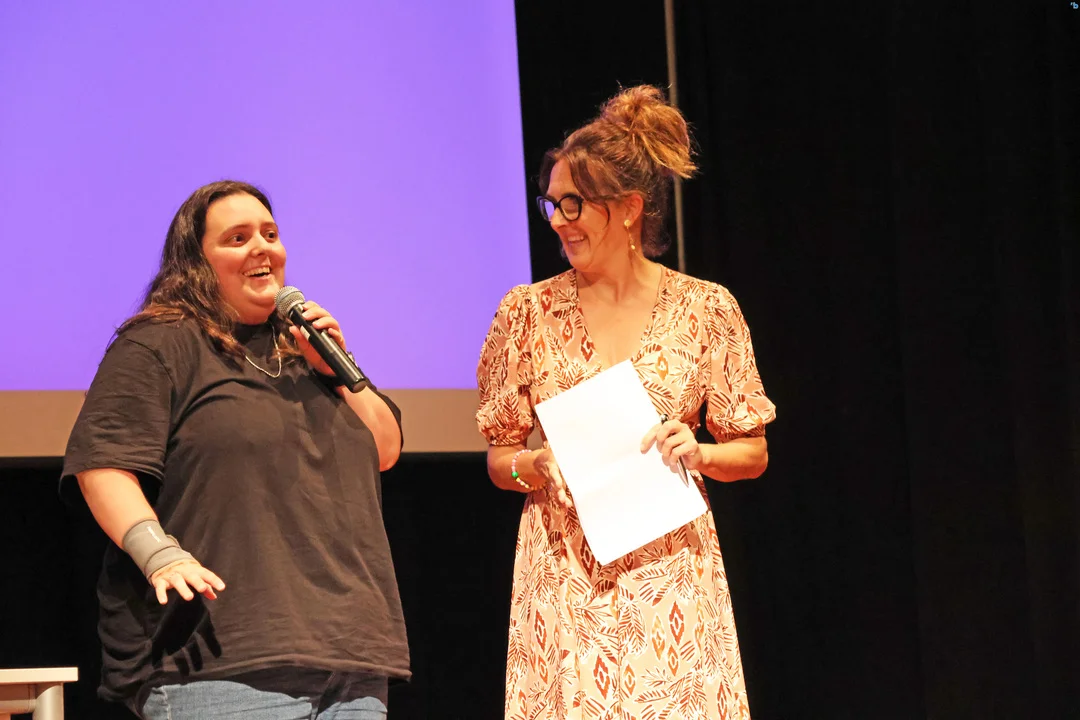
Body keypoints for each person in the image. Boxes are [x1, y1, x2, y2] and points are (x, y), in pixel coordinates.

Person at [476, 86, 776, 719]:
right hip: (564, 577)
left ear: (630, 208)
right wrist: (533, 466)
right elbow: (500, 459)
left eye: (574, 204)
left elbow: (752, 452)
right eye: (551, 204)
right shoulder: (526, 314)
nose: (558, 220)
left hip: (671, 579)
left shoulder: (706, 310)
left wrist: (701, 453)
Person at [61, 180, 409, 719]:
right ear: (196, 263)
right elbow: (104, 465)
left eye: (270, 234)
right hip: (221, 657)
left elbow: (385, 448)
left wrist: (335, 371)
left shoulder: (307, 351)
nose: (262, 248)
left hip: (349, 654)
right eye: (238, 238)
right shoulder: (158, 344)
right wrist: (159, 553)